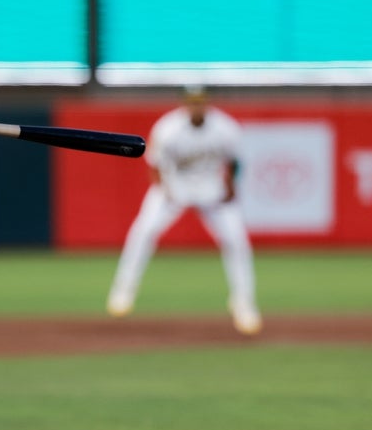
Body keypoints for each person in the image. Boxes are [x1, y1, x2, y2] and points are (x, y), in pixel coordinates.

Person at [106, 86, 262, 335]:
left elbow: (234, 161)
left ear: (207, 103)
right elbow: (155, 165)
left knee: (236, 240)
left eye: (200, 101)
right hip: (175, 187)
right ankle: (123, 292)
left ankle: (244, 304)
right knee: (143, 231)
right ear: (184, 104)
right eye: (192, 102)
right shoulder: (168, 129)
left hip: (211, 188)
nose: (196, 106)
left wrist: (231, 187)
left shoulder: (225, 128)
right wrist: (164, 191)